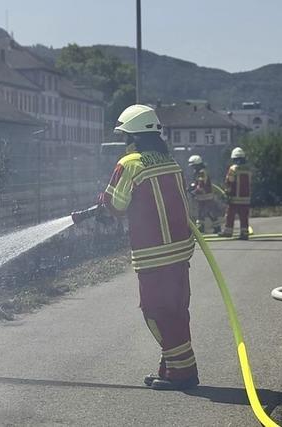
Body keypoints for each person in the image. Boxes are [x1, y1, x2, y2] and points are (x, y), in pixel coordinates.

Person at [98, 104, 199, 390]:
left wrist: (104, 200)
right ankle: (171, 368)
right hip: (180, 251)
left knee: (156, 311)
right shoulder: (170, 161)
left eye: (124, 135)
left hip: (153, 255)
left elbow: (118, 206)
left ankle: (182, 374)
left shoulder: (130, 164)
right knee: (175, 310)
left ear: (133, 136)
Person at [219, 147, 251, 240]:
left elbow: (230, 182)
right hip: (246, 198)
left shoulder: (233, 169)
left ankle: (228, 232)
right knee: (244, 216)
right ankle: (244, 233)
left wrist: (227, 193)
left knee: (230, 215)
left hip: (234, 198)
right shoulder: (248, 169)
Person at [187, 155, 222, 234]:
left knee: (210, 212)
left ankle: (217, 228)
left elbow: (201, 184)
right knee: (201, 213)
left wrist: (194, 191)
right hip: (201, 197)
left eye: (194, 166)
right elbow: (197, 183)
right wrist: (192, 187)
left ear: (197, 165)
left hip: (207, 197)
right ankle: (201, 227)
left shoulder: (202, 172)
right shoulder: (197, 172)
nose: (193, 167)